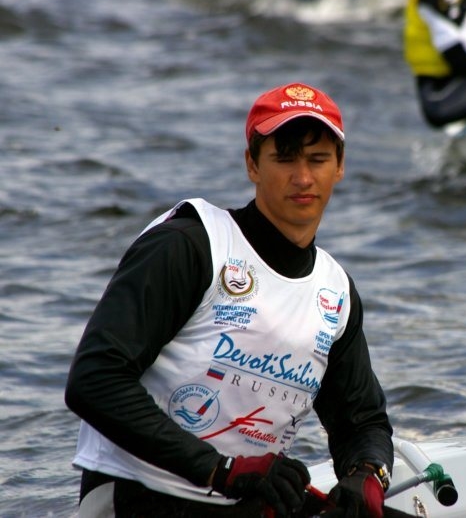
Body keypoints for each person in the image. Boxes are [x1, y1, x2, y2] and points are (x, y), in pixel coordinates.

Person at [64, 82, 395, 518]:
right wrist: (220, 470)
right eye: (284, 158)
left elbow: (363, 422)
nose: (302, 178)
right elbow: (94, 380)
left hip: (244, 498)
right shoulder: (189, 245)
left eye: (318, 159)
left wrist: (367, 473)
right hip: (137, 495)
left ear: (340, 167)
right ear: (252, 164)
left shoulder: (335, 291)